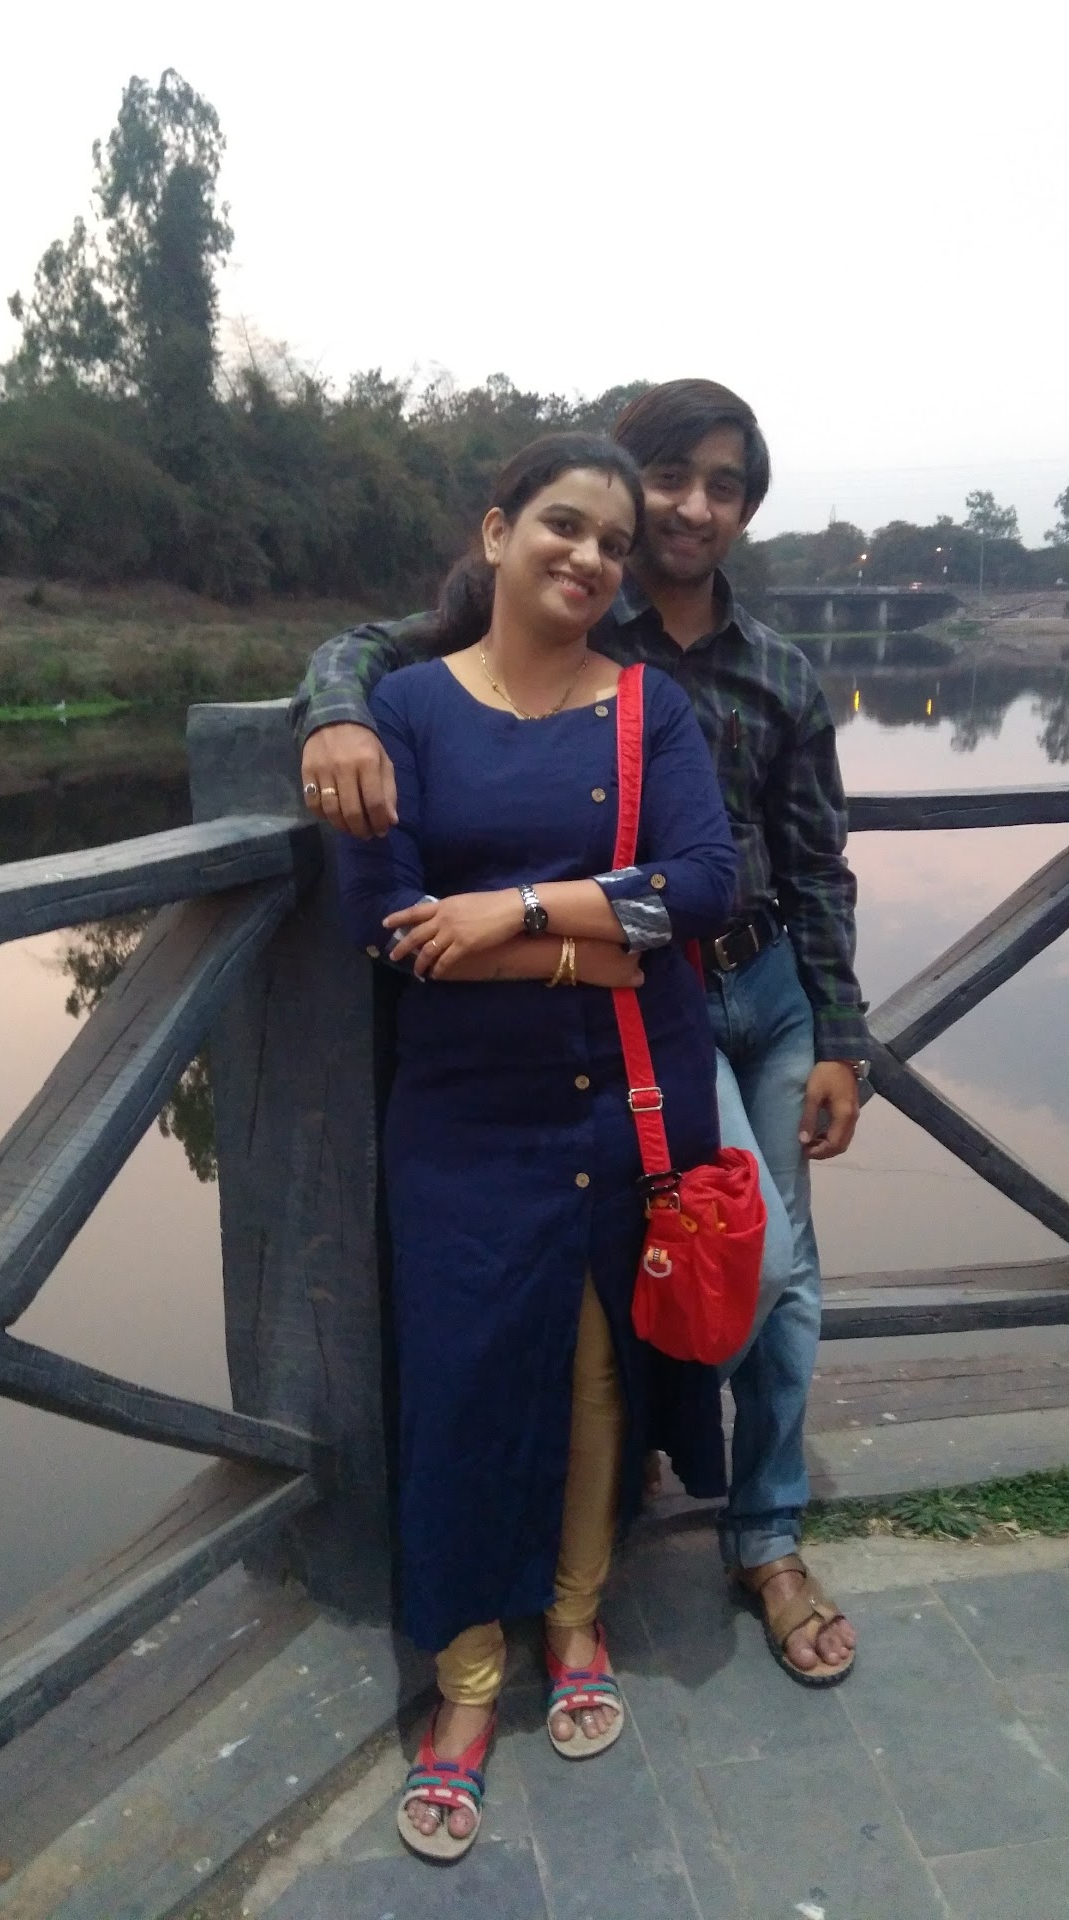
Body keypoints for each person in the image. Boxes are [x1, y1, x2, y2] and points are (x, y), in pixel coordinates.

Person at [292, 382, 868, 1692]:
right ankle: (590, 1526)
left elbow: (809, 867)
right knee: (713, 1273)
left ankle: (766, 1537)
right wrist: (333, 713)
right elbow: (364, 656)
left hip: (757, 988)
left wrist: (842, 1032)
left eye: (727, 486)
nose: (692, 508)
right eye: (671, 479)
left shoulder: (772, 671)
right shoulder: (558, 617)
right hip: (643, 1010)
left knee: (775, 1276)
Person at [328, 433, 737, 1861]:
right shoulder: (403, 710)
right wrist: (596, 945)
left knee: (596, 1372)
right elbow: (387, 927)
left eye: (613, 543)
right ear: (497, 532)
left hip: (626, 1097)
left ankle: (574, 1617)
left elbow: (702, 887)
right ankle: (465, 1675)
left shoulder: (648, 709)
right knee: (461, 1377)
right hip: (464, 1110)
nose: (591, 557)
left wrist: (510, 914)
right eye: (564, 525)